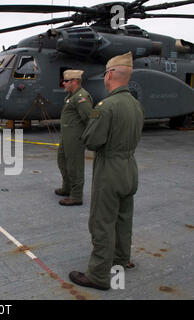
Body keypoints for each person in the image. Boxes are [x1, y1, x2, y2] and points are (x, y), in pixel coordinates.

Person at [69, 52, 144, 290]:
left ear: (110, 74)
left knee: (102, 222)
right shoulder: (136, 105)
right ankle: (121, 260)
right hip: (130, 167)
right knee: (124, 218)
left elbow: (92, 140)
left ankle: (98, 275)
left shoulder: (107, 105)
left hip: (109, 169)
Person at [55, 70, 93, 206]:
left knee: (74, 166)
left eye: (66, 81)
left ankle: (76, 196)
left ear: (75, 81)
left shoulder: (81, 97)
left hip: (75, 139)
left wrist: (88, 138)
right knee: (62, 161)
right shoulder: (71, 96)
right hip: (67, 138)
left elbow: (90, 119)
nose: (63, 83)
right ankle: (67, 188)